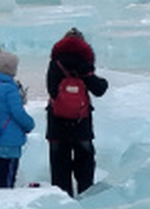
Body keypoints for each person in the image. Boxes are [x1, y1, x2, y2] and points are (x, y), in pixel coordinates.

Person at [44, 28, 109, 197]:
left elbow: (51, 90)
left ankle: (63, 204)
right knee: (85, 167)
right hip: (81, 124)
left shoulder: (55, 63)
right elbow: (99, 90)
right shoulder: (84, 64)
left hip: (57, 124)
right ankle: (85, 202)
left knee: (59, 168)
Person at [0, 47, 35, 190]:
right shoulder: (9, 89)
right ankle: (4, 206)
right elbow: (18, 113)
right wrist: (30, 125)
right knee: (8, 178)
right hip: (10, 139)